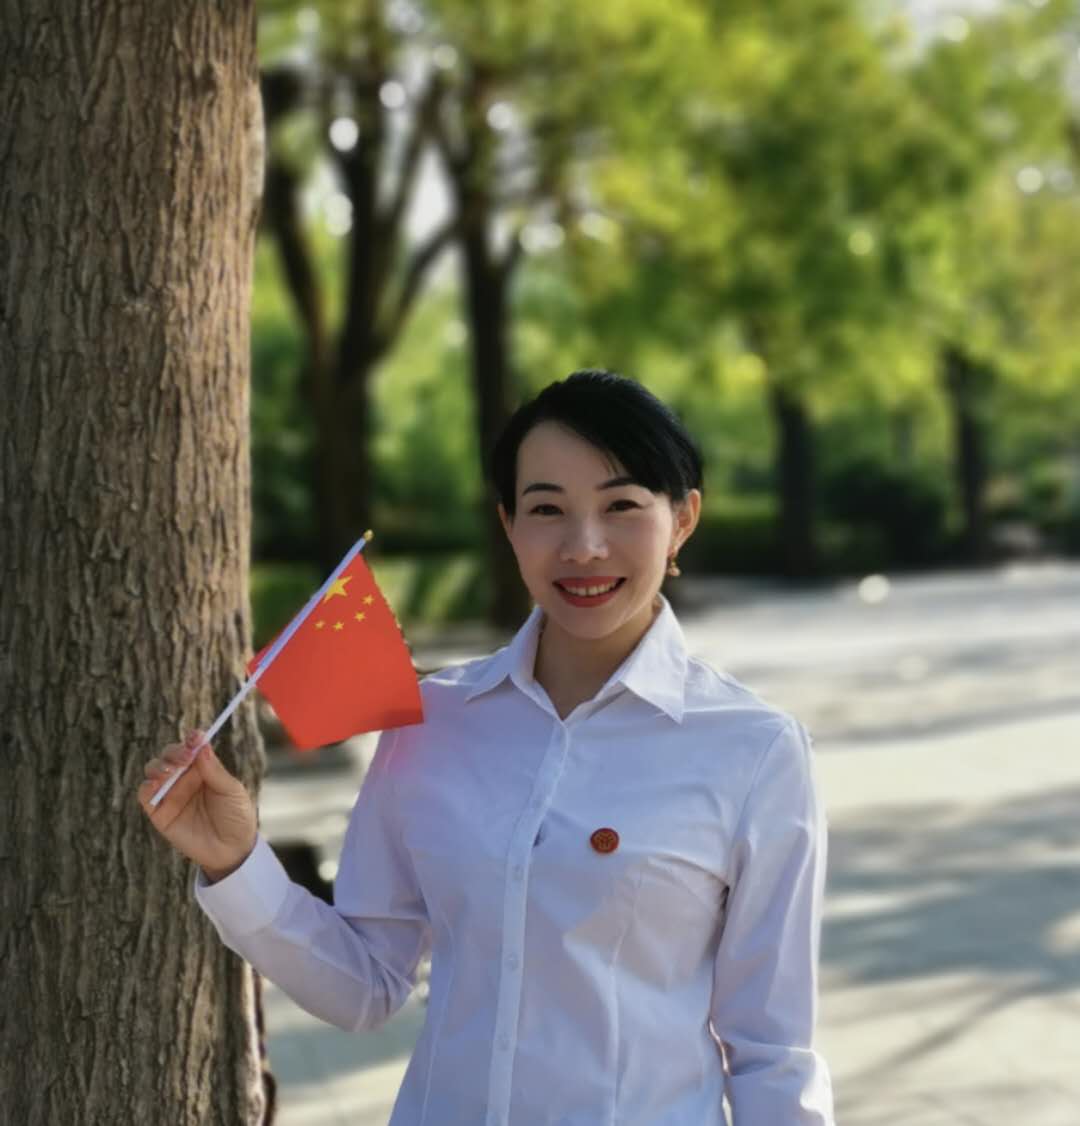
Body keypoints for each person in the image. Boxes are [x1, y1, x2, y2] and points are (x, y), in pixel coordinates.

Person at [140, 369, 835, 1124]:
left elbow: (773, 1050)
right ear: (509, 524)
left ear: (683, 519)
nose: (584, 546)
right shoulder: (431, 720)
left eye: (622, 506)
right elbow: (366, 985)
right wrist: (237, 863)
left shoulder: (754, 750)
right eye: (547, 509)